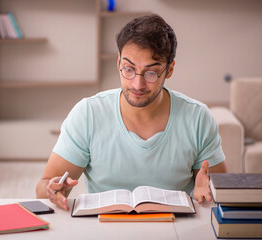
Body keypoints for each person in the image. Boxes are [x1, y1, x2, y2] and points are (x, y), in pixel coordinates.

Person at [36, 14, 227, 210]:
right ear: (118, 62)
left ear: (169, 70)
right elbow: (44, 187)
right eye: (128, 69)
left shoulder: (197, 117)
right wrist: (53, 190)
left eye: (151, 73)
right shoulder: (88, 114)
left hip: (175, 227)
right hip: (106, 227)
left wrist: (209, 193)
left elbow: (220, 193)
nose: (137, 84)